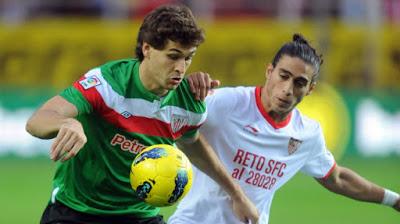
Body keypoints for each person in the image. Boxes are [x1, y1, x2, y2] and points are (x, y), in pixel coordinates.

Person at [25, 4, 258, 224]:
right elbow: (38, 120)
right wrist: (67, 123)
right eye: (173, 56)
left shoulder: (189, 104)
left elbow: (194, 146)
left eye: (188, 58)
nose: (181, 68)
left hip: (140, 215)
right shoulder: (107, 84)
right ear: (147, 48)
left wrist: (237, 194)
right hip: (77, 211)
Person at [168, 33, 400, 224]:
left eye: (299, 83)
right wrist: (187, 89)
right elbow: (173, 119)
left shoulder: (307, 134)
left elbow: (337, 178)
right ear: (269, 71)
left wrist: (394, 200)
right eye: (284, 76)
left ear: (310, 89)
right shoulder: (226, 103)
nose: (288, 89)